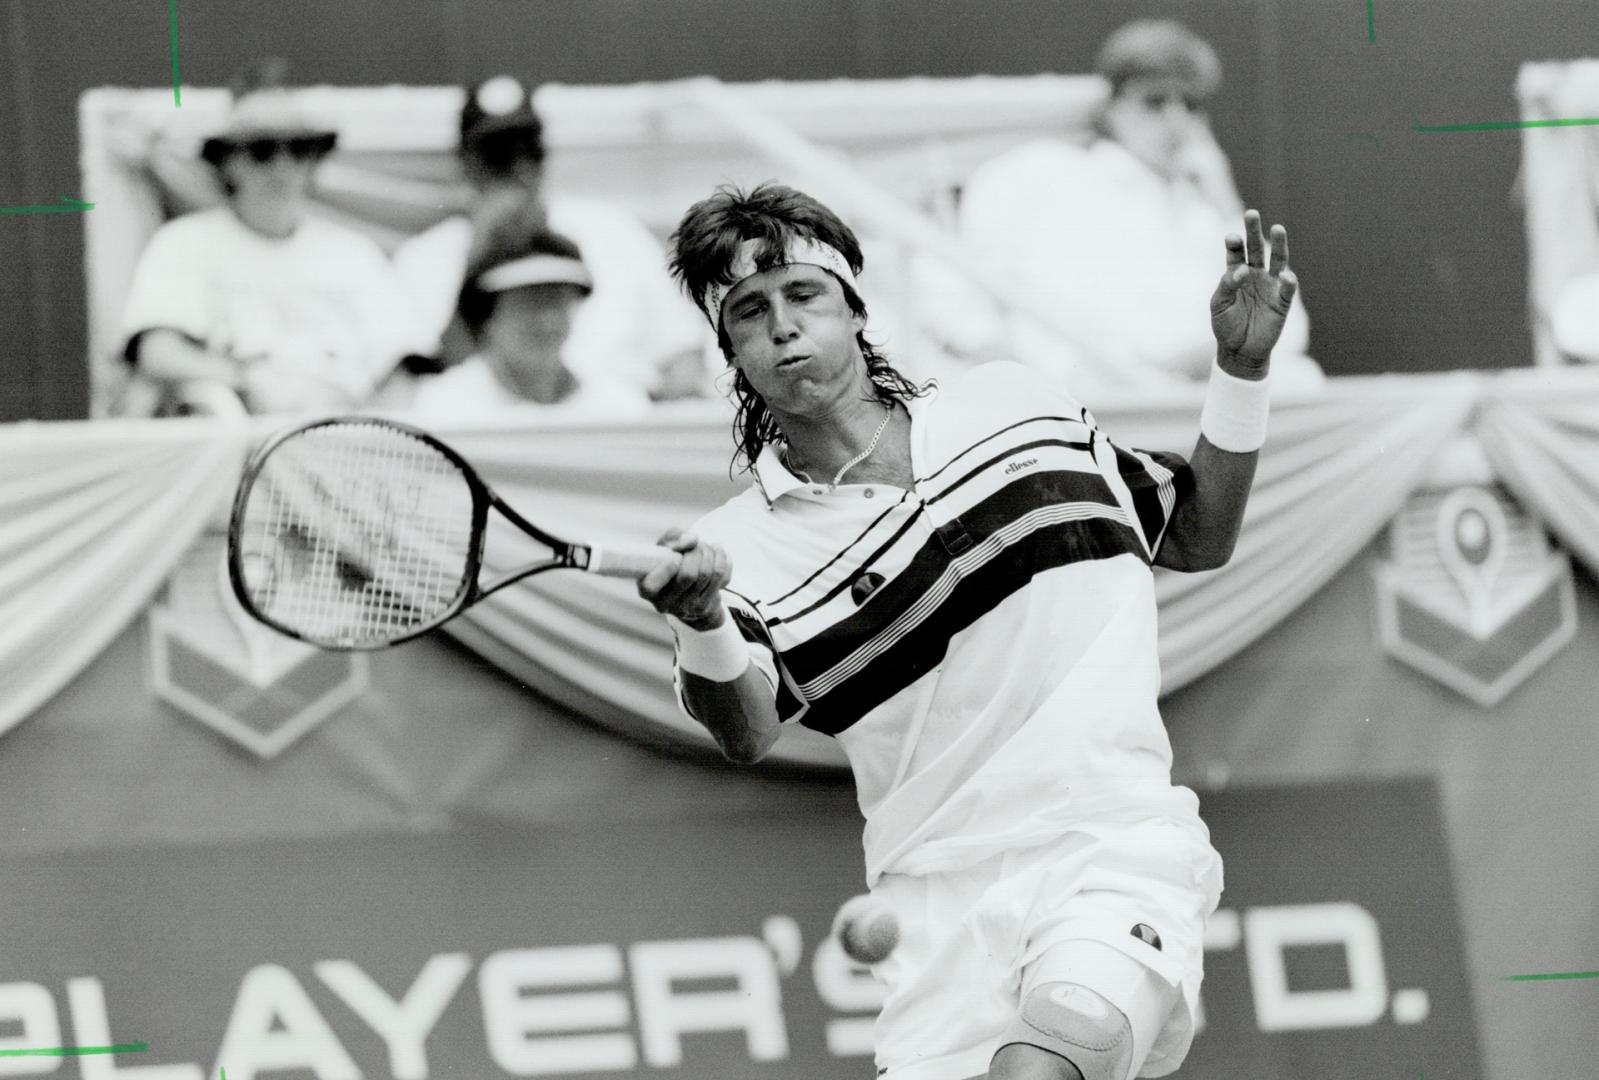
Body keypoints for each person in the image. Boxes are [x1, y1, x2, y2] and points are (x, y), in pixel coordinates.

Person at [637, 182, 1299, 1080]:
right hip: (931, 917)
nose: (783, 326)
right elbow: (748, 729)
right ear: (732, 351)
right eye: (750, 313)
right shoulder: (735, 545)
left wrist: (1242, 373)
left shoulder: (1014, 404)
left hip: (1109, 848)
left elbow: (1193, 532)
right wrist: (704, 617)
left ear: (856, 307)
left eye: (803, 295)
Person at [941, 19, 1320, 398]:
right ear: (1112, 108)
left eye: (1191, 104)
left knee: (1302, 381)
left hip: (1195, 392)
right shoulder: (1044, 172)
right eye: (1154, 101)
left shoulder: (1203, 209)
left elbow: (1287, 328)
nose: (1176, 119)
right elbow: (961, 290)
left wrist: (1224, 201)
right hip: (1088, 394)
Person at [118, 59, 412, 415]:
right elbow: (159, 355)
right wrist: (243, 380)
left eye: (299, 150)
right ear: (227, 162)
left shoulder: (354, 253)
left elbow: (404, 363)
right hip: (236, 442)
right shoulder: (184, 243)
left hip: (345, 437)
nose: (282, 167)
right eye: (262, 151)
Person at [393, 74, 710, 401]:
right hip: (483, 434)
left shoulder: (614, 232)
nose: (518, 170)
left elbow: (683, 356)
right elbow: (416, 386)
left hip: (612, 425)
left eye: (529, 153)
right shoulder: (425, 258)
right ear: (466, 165)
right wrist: (479, 260)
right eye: (497, 158)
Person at [407, 225, 648, 420]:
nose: (546, 322)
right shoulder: (444, 408)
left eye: (556, 301)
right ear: (488, 317)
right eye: (528, 304)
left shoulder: (620, 405)